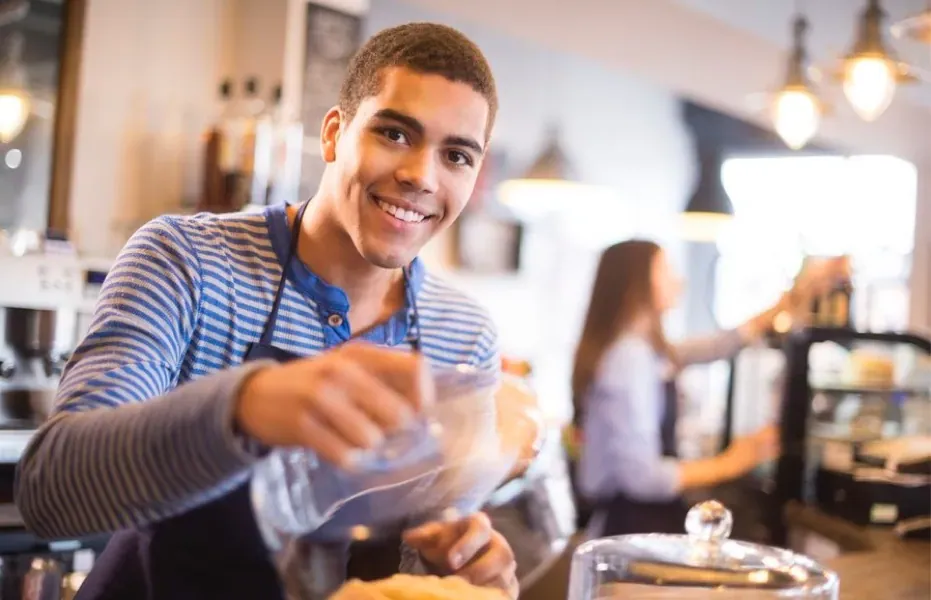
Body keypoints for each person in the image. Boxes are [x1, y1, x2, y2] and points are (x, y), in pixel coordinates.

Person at [15, 22, 518, 600]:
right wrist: (244, 408)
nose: (420, 176)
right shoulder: (189, 260)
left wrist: (465, 565)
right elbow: (51, 490)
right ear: (333, 134)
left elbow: (429, 541)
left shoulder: (466, 336)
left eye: (456, 155)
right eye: (395, 134)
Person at [571, 240, 783, 537]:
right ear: (637, 281)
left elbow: (717, 345)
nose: (679, 280)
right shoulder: (628, 357)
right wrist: (731, 462)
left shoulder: (644, 350)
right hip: (629, 525)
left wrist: (788, 301)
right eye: (666, 269)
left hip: (633, 519)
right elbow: (641, 477)